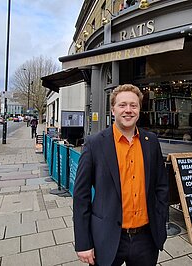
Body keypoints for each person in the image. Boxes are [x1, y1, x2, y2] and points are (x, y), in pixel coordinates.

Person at [73, 84, 169, 266]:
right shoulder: (94, 144)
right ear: (113, 109)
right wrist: (83, 242)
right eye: (122, 105)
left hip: (146, 239)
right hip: (106, 237)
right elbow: (81, 197)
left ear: (140, 109)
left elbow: (161, 186)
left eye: (133, 105)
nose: (128, 110)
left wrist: (161, 221)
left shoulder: (151, 142)